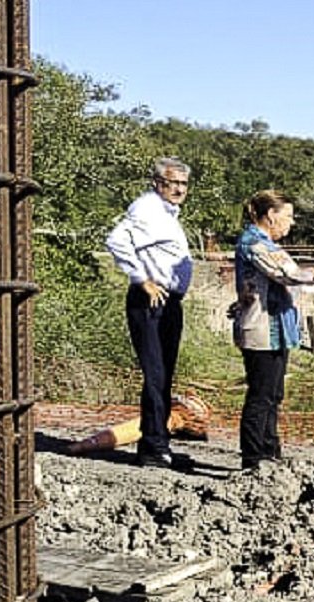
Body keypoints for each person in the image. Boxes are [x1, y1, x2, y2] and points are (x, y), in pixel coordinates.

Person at [230, 190, 314, 469]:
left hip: (276, 330)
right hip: (261, 330)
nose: (291, 223)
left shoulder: (266, 243)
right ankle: (254, 459)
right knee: (261, 396)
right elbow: (292, 274)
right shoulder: (255, 244)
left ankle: (269, 453)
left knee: (273, 395)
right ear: (271, 215)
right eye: (288, 216)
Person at [105, 157, 196, 470]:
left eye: (183, 184)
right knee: (156, 374)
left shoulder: (166, 214)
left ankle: (156, 441)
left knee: (164, 375)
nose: (179, 189)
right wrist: (141, 279)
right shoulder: (147, 209)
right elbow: (117, 240)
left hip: (169, 301)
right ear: (158, 183)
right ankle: (154, 447)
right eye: (173, 183)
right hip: (151, 300)